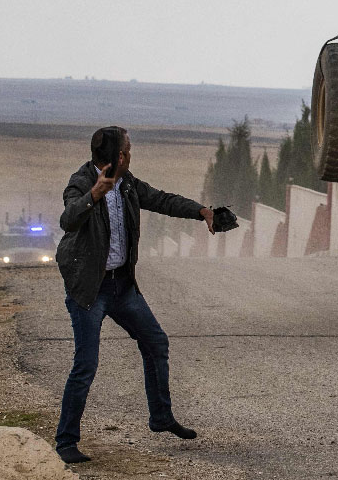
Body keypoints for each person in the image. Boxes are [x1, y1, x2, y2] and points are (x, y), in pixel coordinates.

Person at [53, 126, 215, 464]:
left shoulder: (128, 184)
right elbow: (68, 219)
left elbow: (161, 200)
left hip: (122, 287)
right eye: (129, 149)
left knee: (156, 343)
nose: (131, 154)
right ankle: (66, 441)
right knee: (85, 365)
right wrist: (94, 194)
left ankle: (161, 417)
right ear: (120, 156)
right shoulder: (81, 181)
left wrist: (201, 212)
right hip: (89, 291)